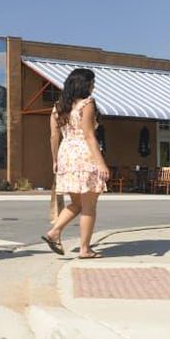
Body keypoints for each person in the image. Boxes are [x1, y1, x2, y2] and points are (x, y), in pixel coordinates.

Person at [42, 67, 109, 259]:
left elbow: (54, 136)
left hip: (66, 155)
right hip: (84, 155)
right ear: (84, 84)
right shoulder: (87, 103)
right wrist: (102, 163)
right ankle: (85, 249)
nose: (93, 86)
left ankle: (55, 231)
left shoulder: (57, 108)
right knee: (89, 206)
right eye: (92, 82)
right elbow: (89, 135)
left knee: (77, 203)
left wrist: (55, 160)